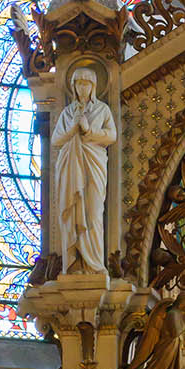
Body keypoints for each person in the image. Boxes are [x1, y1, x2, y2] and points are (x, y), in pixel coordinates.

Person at [51, 65, 115, 273]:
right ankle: (74, 262)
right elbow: (55, 140)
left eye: (87, 83)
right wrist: (72, 129)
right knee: (72, 212)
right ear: (73, 86)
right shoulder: (67, 112)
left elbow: (111, 136)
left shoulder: (102, 110)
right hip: (70, 166)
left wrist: (88, 130)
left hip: (93, 165)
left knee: (94, 213)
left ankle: (94, 264)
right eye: (79, 83)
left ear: (94, 86)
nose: (83, 88)